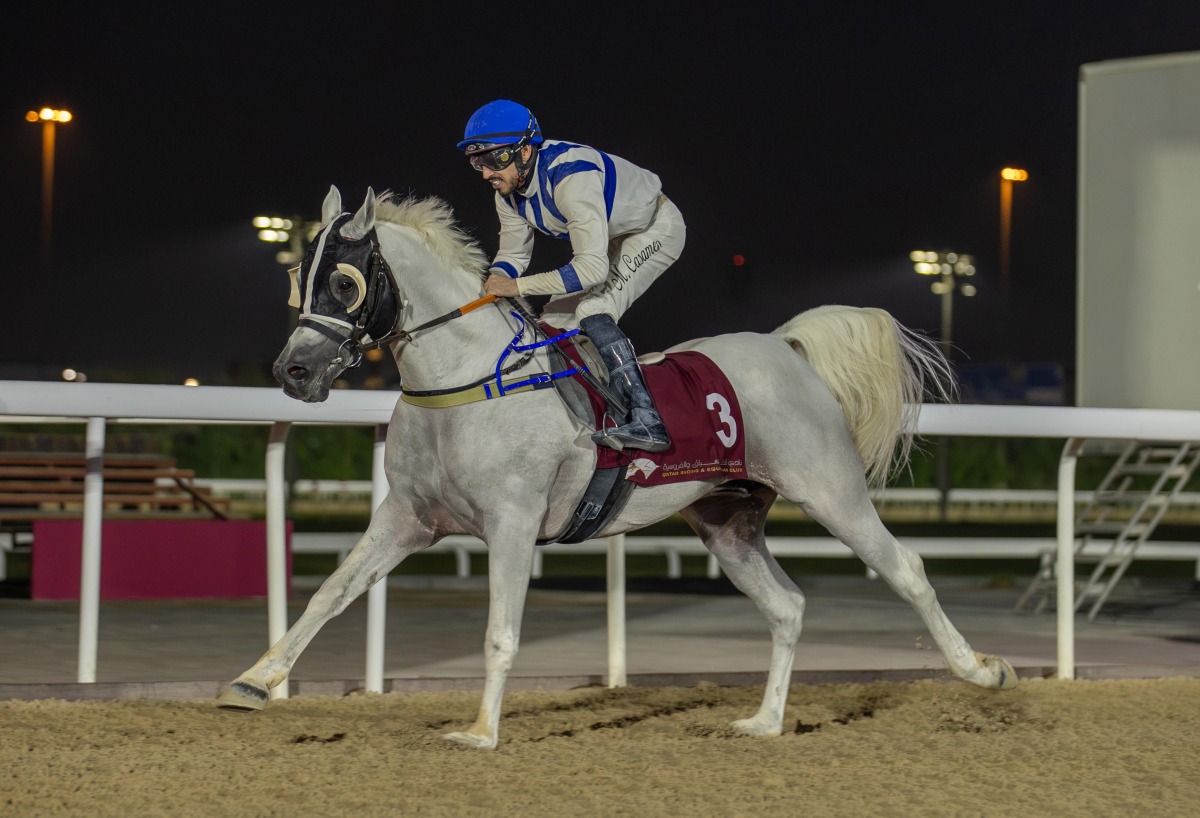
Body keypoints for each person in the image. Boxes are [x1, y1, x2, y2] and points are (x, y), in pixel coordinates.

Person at [459, 99, 686, 453]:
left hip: (655, 229)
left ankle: (648, 419)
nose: (487, 172)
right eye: (478, 162)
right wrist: (490, 284)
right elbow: (513, 255)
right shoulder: (508, 193)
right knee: (552, 322)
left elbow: (591, 269)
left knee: (593, 310)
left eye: (495, 159)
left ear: (526, 150)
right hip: (610, 239)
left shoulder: (571, 176)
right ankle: (578, 414)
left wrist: (516, 287)